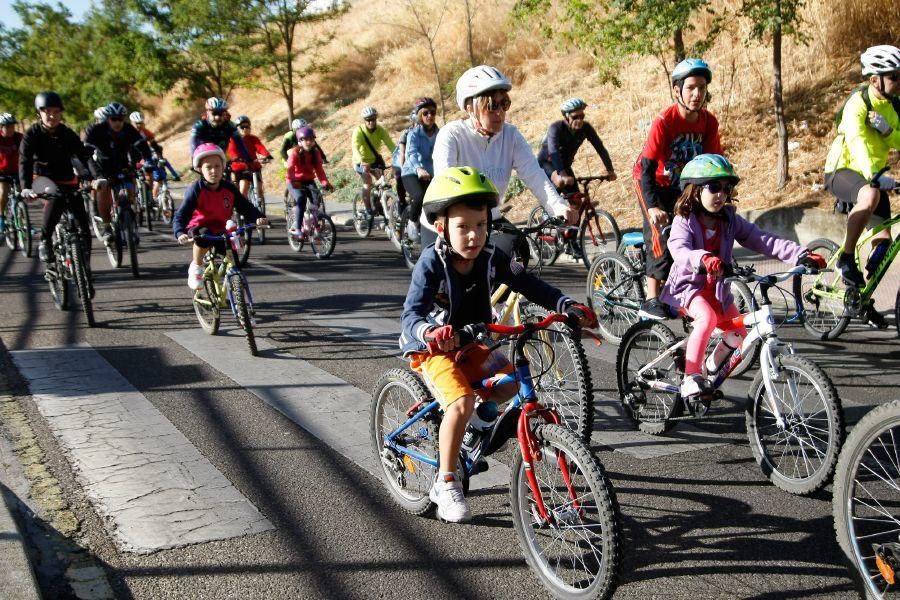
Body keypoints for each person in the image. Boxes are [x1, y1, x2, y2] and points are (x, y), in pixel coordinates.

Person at [399, 166, 595, 523]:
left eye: (481, 225)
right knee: (461, 403)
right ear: (441, 227)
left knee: (513, 387)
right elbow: (411, 316)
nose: (474, 235)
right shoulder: (431, 262)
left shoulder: (491, 257)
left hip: (473, 343)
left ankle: (475, 431)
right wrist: (430, 332)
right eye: (463, 227)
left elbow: (530, 284)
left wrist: (565, 304)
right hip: (435, 351)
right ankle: (445, 481)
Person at [658, 154, 825, 400]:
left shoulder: (729, 220)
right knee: (706, 319)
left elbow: (763, 240)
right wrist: (703, 259)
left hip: (717, 291)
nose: (721, 194)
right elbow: (680, 251)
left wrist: (800, 255)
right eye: (714, 187)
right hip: (688, 288)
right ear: (694, 190)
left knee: (739, 334)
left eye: (727, 188)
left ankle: (711, 369)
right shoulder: (684, 221)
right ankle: (692, 377)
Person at [427, 65, 576, 261]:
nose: (499, 112)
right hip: (450, 222)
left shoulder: (511, 136)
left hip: (488, 218)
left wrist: (558, 207)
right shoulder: (452, 135)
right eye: (491, 105)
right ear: (470, 108)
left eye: (503, 103)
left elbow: (534, 175)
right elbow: (444, 185)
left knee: (517, 250)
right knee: (449, 277)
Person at [633, 58, 722, 320]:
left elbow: (713, 164)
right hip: (653, 182)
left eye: (702, 88)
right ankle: (650, 299)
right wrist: (653, 208)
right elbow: (647, 170)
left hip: (682, 187)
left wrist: (721, 195)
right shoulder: (665, 121)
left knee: (692, 233)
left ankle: (685, 290)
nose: (697, 94)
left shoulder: (708, 122)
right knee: (660, 234)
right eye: (691, 88)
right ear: (677, 89)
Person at [825, 44, 900, 290]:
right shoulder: (858, 103)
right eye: (893, 77)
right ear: (874, 80)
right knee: (870, 194)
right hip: (844, 171)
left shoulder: (895, 106)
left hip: (875, 178)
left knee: (884, 247)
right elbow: (856, 140)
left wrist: (887, 131)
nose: (898, 81)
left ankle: (862, 299)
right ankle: (845, 259)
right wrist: (872, 176)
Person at [19, 91, 94, 277]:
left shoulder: (67, 133)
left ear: (61, 113)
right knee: (56, 197)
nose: (52, 116)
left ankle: (85, 266)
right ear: (39, 113)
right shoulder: (32, 135)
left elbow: (83, 155)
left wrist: (96, 176)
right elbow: (24, 161)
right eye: (47, 112)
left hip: (66, 178)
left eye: (56, 112)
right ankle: (45, 241)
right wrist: (25, 187)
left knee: (83, 223)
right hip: (42, 179)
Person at [173, 143, 267, 289]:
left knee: (234, 262)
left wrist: (258, 217)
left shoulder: (228, 188)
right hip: (200, 228)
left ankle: (236, 290)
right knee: (203, 235)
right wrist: (179, 232)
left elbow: (245, 206)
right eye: (208, 167)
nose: (213, 171)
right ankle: (196, 266)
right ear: (199, 170)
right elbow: (182, 214)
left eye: (217, 166)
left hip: (222, 230)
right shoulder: (195, 190)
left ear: (223, 167)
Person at [83, 101, 154, 243]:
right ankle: (107, 226)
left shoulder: (129, 130)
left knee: (130, 193)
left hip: (122, 165)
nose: (117, 123)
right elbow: (87, 155)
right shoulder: (97, 131)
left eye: (120, 119)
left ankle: (128, 219)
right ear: (107, 118)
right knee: (104, 190)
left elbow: (143, 147)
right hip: (103, 167)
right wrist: (95, 175)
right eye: (113, 119)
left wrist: (148, 161)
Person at [537, 97, 617, 194]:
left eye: (582, 116)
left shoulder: (586, 128)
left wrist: (610, 170)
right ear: (566, 117)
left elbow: (600, 149)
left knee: (576, 202)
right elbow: (554, 152)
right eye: (575, 117)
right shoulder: (556, 128)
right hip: (547, 163)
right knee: (560, 182)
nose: (579, 120)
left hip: (565, 165)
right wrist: (562, 174)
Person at [401, 98, 439, 241]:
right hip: (411, 172)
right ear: (420, 116)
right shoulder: (414, 133)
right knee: (419, 196)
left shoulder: (440, 133)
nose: (430, 116)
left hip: (431, 173)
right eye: (426, 113)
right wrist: (418, 169)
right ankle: (412, 222)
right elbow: (410, 154)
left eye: (433, 113)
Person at [285, 126, 332, 239]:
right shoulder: (295, 153)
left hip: (308, 180)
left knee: (317, 199)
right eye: (306, 139)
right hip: (294, 181)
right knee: (301, 198)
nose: (309, 142)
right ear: (300, 141)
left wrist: (325, 182)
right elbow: (290, 169)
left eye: (311, 139)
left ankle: (313, 222)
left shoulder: (315, 153)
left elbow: (319, 170)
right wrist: (294, 181)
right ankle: (296, 226)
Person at [351, 106, 395, 216]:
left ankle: (379, 202)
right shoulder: (359, 131)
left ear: (376, 118)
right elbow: (355, 148)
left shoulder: (380, 130)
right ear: (364, 121)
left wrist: (400, 157)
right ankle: (368, 209)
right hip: (360, 161)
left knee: (382, 180)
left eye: (373, 119)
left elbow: (391, 145)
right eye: (368, 120)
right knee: (368, 182)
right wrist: (362, 161)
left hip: (375, 161)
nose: (371, 122)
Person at [188, 97, 252, 164]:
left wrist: (248, 159)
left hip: (222, 157)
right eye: (214, 113)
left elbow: (240, 144)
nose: (217, 117)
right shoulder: (199, 125)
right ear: (207, 112)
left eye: (221, 113)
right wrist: (194, 161)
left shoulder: (230, 126)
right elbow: (193, 144)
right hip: (205, 158)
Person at [229, 115, 273, 200]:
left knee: (260, 189)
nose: (245, 129)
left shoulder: (253, 138)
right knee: (243, 188)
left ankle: (260, 206)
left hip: (254, 166)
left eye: (247, 126)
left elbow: (260, 147)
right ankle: (242, 208)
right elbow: (232, 151)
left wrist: (267, 154)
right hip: (241, 167)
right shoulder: (233, 139)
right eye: (242, 127)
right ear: (237, 128)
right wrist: (236, 158)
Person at [129, 110, 166, 201]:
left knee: (149, 173)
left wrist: (160, 155)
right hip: (131, 157)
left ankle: (150, 196)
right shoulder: (127, 133)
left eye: (141, 123)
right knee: (131, 178)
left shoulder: (146, 132)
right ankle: (133, 199)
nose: (139, 126)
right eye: (136, 123)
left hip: (145, 156)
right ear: (131, 123)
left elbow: (155, 146)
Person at [0, 113, 23, 233]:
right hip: (1, 172)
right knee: (4, 192)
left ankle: (23, 222)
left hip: (16, 171)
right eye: (7, 127)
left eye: (12, 126)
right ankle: (1, 217)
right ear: (1, 127)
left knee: (22, 194)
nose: (10, 129)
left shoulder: (18, 137)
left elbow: (29, 150)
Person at [393, 108, 418, 212]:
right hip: (399, 160)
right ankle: (401, 202)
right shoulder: (407, 133)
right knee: (400, 179)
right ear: (413, 123)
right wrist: (404, 170)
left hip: (415, 162)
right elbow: (402, 153)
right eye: (418, 123)